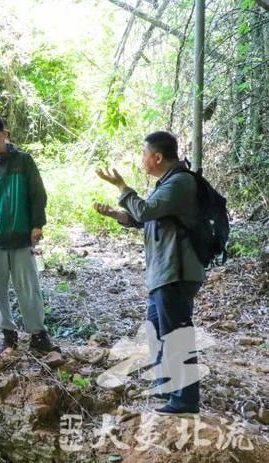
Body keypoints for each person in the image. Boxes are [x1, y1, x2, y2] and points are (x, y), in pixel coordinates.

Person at [95, 131, 205, 416]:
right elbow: (147, 219)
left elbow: (145, 212)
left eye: (144, 154)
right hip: (164, 273)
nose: (142, 159)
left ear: (157, 157)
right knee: (158, 330)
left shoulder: (180, 182)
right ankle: (169, 388)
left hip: (176, 272)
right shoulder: (167, 183)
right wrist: (116, 215)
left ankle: (185, 401)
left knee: (176, 334)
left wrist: (122, 186)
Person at [0, 115, 56, 354]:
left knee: (29, 287)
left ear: (5, 135)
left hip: (21, 237)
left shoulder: (24, 162)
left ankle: (38, 334)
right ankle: (8, 335)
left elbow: (38, 194)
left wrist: (37, 223)